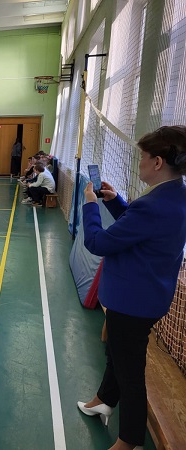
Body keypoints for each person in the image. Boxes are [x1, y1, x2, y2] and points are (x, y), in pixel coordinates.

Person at [78, 126, 186, 450]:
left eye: (142, 157)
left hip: (131, 301)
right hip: (150, 296)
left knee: (130, 372)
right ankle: (103, 400)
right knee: (118, 353)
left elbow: (98, 242)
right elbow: (139, 229)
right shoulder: (174, 195)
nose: (139, 163)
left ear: (157, 162)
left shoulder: (152, 205)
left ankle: (129, 441)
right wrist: (116, 203)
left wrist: (90, 205)